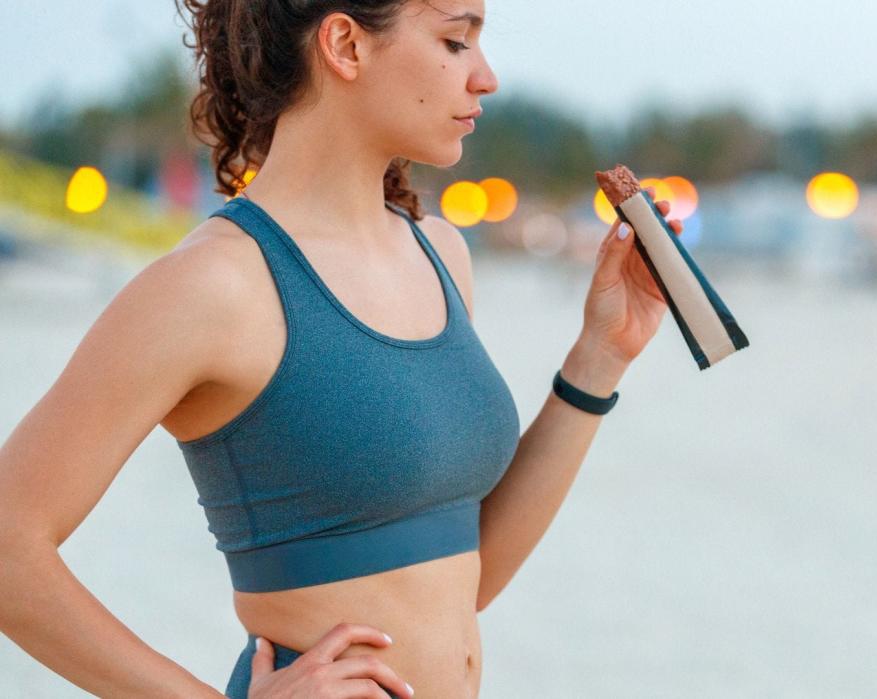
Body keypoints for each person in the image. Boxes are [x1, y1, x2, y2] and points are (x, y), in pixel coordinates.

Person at [0, 1, 684, 697]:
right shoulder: (215, 285)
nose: (486, 77)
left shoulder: (441, 254)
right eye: (455, 41)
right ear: (345, 45)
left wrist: (600, 357)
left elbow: (462, 577)